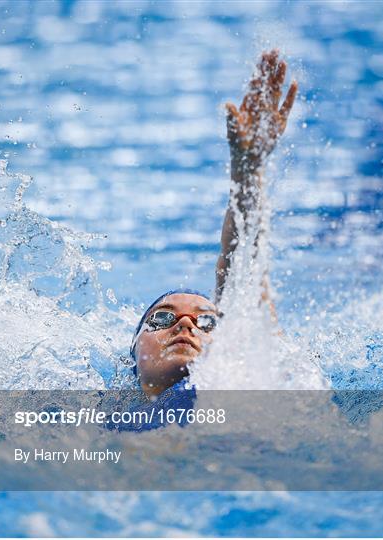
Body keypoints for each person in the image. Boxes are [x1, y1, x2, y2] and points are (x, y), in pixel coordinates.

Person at [130, 50, 298, 398]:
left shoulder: (246, 398)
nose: (186, 325)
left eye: (208, 322)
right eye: (162, 319)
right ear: (132, 353)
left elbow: (242, 272)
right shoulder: (95, 419)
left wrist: (248, 170)